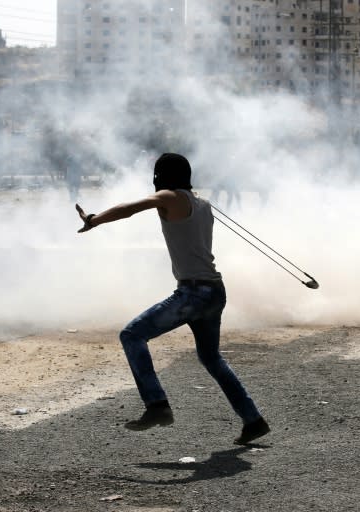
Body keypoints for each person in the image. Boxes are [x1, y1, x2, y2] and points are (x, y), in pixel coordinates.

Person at [75, 153, 270, 445]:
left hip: (193, 293)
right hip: (214, 291)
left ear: (161, 176)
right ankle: (253, 420)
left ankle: (156, 405)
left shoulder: (170, 197)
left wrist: (94, 220)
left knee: (132, 335)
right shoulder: (202, 204)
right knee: (211, 358)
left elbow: (130, 209)